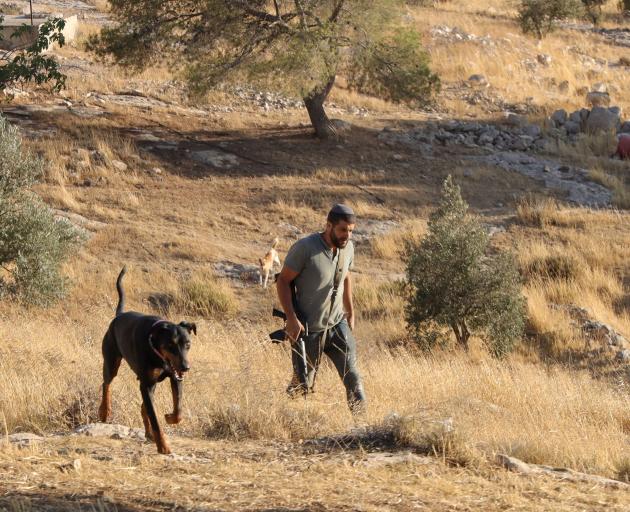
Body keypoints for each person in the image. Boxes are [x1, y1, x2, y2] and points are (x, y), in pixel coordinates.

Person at [276, 204, 366, 415]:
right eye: (343, 229)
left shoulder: (348, 248)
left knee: (353, 378)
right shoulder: (305, 248)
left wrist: (350, 310)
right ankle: (283, 418)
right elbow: (282, 281)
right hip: (308, 330)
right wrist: (290, 318)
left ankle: (362, 429)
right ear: (329, 226)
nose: (347, 235)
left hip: (337, 325)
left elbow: (345, 276)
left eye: (351, 230)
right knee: (301, 385)